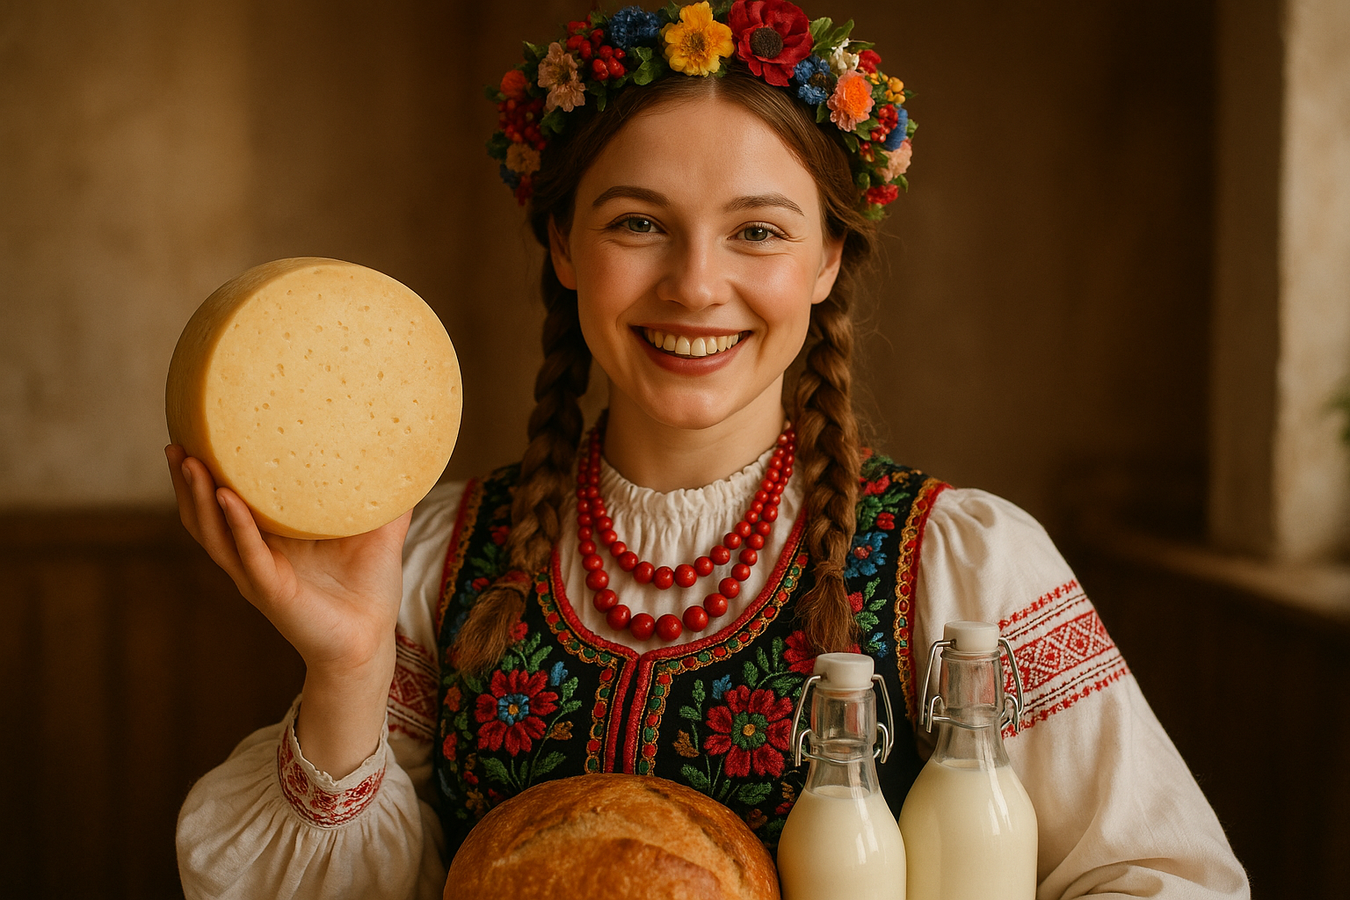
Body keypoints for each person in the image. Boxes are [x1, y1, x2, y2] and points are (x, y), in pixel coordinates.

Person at [170, 3, 1250, 898]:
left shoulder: (961, 567)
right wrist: (347, 669)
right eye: (638, 222)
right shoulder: (440, 557)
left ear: (831, 257)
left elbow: (1164, 877)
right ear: (562, 245)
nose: (695, 283)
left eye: (759, 231)